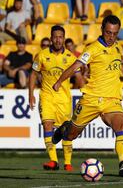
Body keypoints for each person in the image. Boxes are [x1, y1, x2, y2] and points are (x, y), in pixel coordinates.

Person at [51, 15, 123, 177]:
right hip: (91, 99)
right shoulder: (92, 48)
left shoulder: (116, 47)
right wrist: (59, 81)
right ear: (102, 30)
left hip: (111, 99)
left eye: (115, 33)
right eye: (108, 33)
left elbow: (119, 60)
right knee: (71, 135)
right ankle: (64, 128)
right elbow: (76, 65)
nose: (111, 37)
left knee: (121, 125)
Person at [29, 25, 84, 171]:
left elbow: (78, 76)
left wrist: (84, 92)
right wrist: (31, 95)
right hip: (46, 97)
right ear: (51, 38)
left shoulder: (71, 58)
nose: (58, 40)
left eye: (60, 37)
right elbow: (33, 74)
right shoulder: (41, 55)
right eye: (55, 37)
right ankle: (53, 161)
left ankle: (67, 163)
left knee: (66, 131)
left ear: (64, 39)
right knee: (47, 126)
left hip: (64, 99)